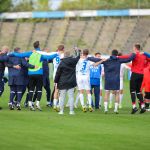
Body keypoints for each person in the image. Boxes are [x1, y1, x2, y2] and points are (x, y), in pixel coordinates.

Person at [88, 49, 135, 114]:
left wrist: (87, 57)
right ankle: (115, 109)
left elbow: (95, 59)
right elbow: (129, 59)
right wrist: (134, 54)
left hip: (108, 79)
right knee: (117, 94)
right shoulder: (119, 60)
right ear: (117, 54)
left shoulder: (106, 60)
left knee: (107, 93)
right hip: (116, 79)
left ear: (111, 53)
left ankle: (106, 109)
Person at [119, 44, 148, 114]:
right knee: (138, 91)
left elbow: (127, 57)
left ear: (135, 48)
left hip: (135, 74)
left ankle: (134, 107)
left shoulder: (134, 54)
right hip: (141, 74)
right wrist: (145, 53)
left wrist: (118, 57)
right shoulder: (144, 55)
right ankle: (143, 106)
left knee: (132, 90)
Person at [54, 50, 80, 115]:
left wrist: (56, 81)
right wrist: (78, 51)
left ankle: (61, 111)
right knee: (71, 97)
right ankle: (71, 111)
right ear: (70, 55)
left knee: (62, 97)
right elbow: (78, 57)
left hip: (62, 82)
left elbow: (58, 73)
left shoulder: (62, 63)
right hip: (71, 82)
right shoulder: (73, 61)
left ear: (64, 56)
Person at [51, 45, 65, 110]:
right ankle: (59, 105)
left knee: (56, 90)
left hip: (55, 75)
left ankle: (54, 105)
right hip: (61, 74)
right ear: (63, 49)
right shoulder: (63, 56)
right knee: (61, 90)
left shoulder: (54, 55)